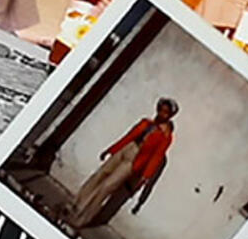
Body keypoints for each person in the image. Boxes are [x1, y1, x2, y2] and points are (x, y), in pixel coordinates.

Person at [69, 98, 177, 229]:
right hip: (126, 149)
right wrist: (111, 149)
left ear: (170, 115)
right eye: (161, 110)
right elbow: (128, 137)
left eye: (166, 112)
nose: (162, 113)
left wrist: (145, 177)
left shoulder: (165, 136)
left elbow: (156, 156)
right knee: (99, 175)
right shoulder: (146, 123)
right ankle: (76, 205)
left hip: (135, 159)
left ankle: (83, 218)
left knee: (107, 186)